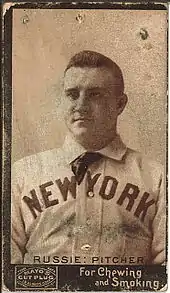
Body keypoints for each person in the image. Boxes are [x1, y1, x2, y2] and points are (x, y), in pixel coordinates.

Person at [11, 50, 166, 265]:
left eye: (95, 94)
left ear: (120, 104)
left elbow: (165, 273)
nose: (81, 105)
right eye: (72, 94)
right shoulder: (22, 174)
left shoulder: (157, 177)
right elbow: (6, 270)